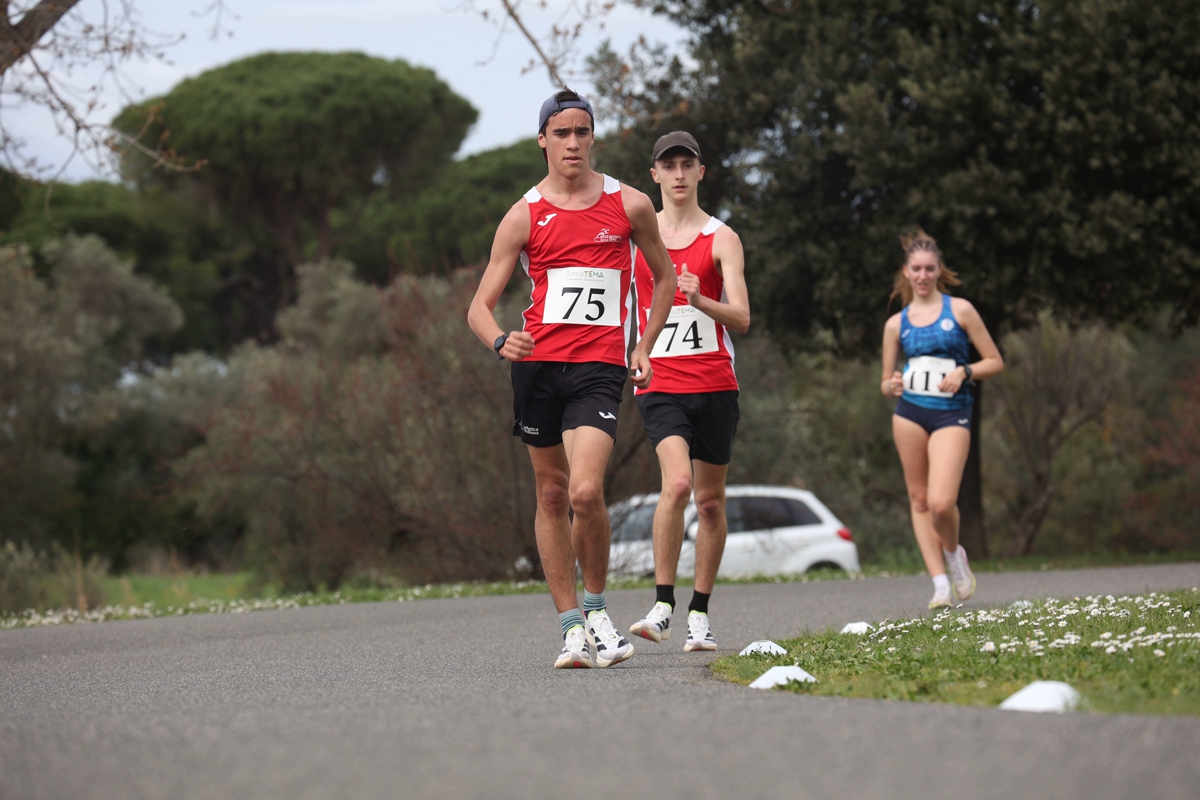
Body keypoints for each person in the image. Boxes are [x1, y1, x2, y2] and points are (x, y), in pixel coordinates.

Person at [467, 89, 677, 669]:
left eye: (582, 132)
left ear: (593, 138)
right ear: (543, 140)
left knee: (586, 491)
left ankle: (597, 608)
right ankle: (569, 628)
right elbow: (478, 308)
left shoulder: (630, 204)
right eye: (561, 133)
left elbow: (662, 279)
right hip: (536, 368)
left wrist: (645, 343)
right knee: (552, 493)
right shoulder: (524, 214)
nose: (573, 142)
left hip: (599, 368)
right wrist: (500, 341)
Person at [625, 131, 750, 652]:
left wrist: (702, 301)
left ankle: (699, 612)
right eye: (667, 165)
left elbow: (741, 318)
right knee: (675, 486)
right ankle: (662, 604)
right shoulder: (635, 238)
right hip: (662, 382)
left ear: (701, 172)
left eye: (686, 165)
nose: (677, 174)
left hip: (716, 382)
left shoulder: (722, 238)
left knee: (711, 502)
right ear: (654, 174)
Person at [880, 229, 1004, 609]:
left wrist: (965, 371)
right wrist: (893, 383)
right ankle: (939, 585)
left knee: (940, 502)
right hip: (910, 414)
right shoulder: (896, 324)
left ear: (939, 271)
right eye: (915, 269)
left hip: (953, 413)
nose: (922, 275)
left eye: (929, 268)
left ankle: (954, 554)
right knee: (919, 500)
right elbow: (885, 381)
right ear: (906, 272)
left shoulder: (960, 310)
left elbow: (995, 361)